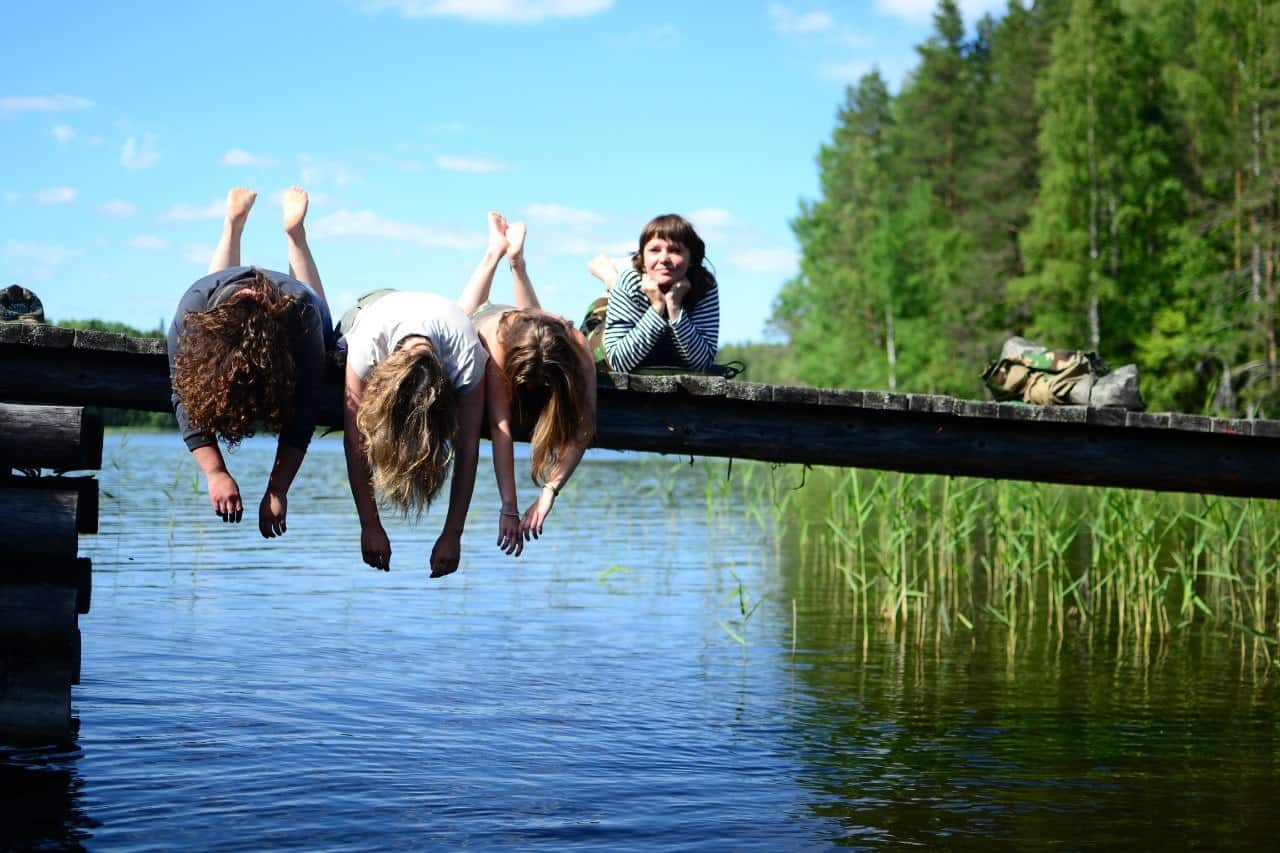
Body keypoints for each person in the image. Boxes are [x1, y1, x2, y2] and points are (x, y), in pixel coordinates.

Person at [167, 187, 335, 538]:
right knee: (213, 299)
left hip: (287, 300)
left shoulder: (303, 317)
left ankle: (254, 229)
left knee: (327, 332)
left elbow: (305, 409)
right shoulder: (194, 316)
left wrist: (277, 489)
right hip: (216, 292)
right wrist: (215, 473)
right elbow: (184, 395)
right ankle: (281, 234)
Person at [456, 213, 597, 556]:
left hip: (535, 326)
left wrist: (549, 491)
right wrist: (509, 506)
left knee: (536, 321)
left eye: (542, 381)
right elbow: (500, 424)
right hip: (488, 317)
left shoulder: (577, 349)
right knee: (459, 316)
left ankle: (515, 262)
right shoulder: (496, 343)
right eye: (527, 380)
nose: (533, 390)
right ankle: (495, 253)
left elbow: (583, 427)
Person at [337, 282, 487, 577]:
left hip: (442, 315)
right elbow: (354, 442)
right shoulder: (367, 347)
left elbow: (467, 450)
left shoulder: (466, 357)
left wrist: (453, 534)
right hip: (372, 306)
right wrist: (369, 524)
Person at [586, 213, 720, 374]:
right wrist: (657, 308)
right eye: (655, 250)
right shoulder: (630, 282)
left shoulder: (704, 286)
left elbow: (701, 362)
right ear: (643, 257)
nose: (664, 258)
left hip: (662, 350)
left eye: (675, 250)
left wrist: (675, 309)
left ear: (691, 258)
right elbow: (618, 362)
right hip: (603, 326)